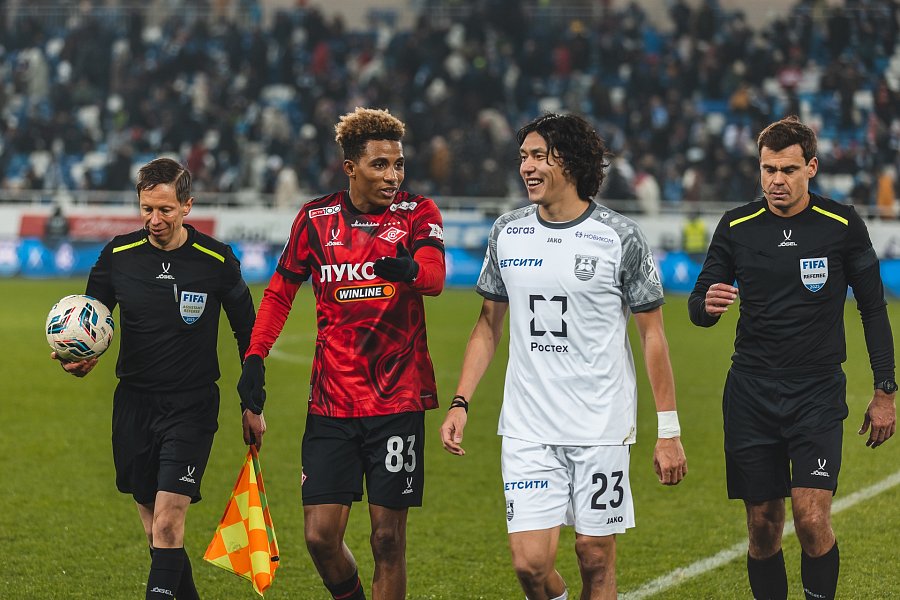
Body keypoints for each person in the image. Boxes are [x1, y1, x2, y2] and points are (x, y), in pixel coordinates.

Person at [440, 113, 687, 600]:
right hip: (528, 426)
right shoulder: (507, 232)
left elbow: (653, 337)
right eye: (523, 158)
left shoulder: (620, 236)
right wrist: (460, 402)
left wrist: (669, 431)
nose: (526, 167)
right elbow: (488, 325)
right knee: (530, 565)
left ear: (570, 163)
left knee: (595, 555)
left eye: (538, 156)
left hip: (601, 425)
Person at [237, 107, 446, 600]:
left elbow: (435, 277)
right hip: (331, 402)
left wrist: (410, 271)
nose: (393, 176)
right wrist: (255, 357)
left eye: (398, 164)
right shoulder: (315, 219)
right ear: (350, 167)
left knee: (387, 540)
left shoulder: (418, 213)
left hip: (396, 400)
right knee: (320, 537)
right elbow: (280, 293)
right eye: (380, 165)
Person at [688, 115, 896, 600]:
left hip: (816, 392)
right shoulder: (736, 225)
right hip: (751, 393)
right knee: (762, 525)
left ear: (811, 168)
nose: (776, 180)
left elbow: (873, 308)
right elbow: (699, 304)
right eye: (768, 169)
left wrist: (885, 389)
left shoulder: (842, 224)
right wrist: (706, 306)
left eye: (787, 170)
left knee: (811, 518)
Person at [52, 157, 257, 600]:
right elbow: (90, 321)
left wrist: (252, 403)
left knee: (168, 523)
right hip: (134, 406)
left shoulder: (216, 259)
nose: (154, 219)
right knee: (156, 532)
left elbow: (249, 334)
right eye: (147, 209)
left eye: (165, 209)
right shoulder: (117, 256)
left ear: (187, 206)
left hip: (191, 406)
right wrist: (80, 359)